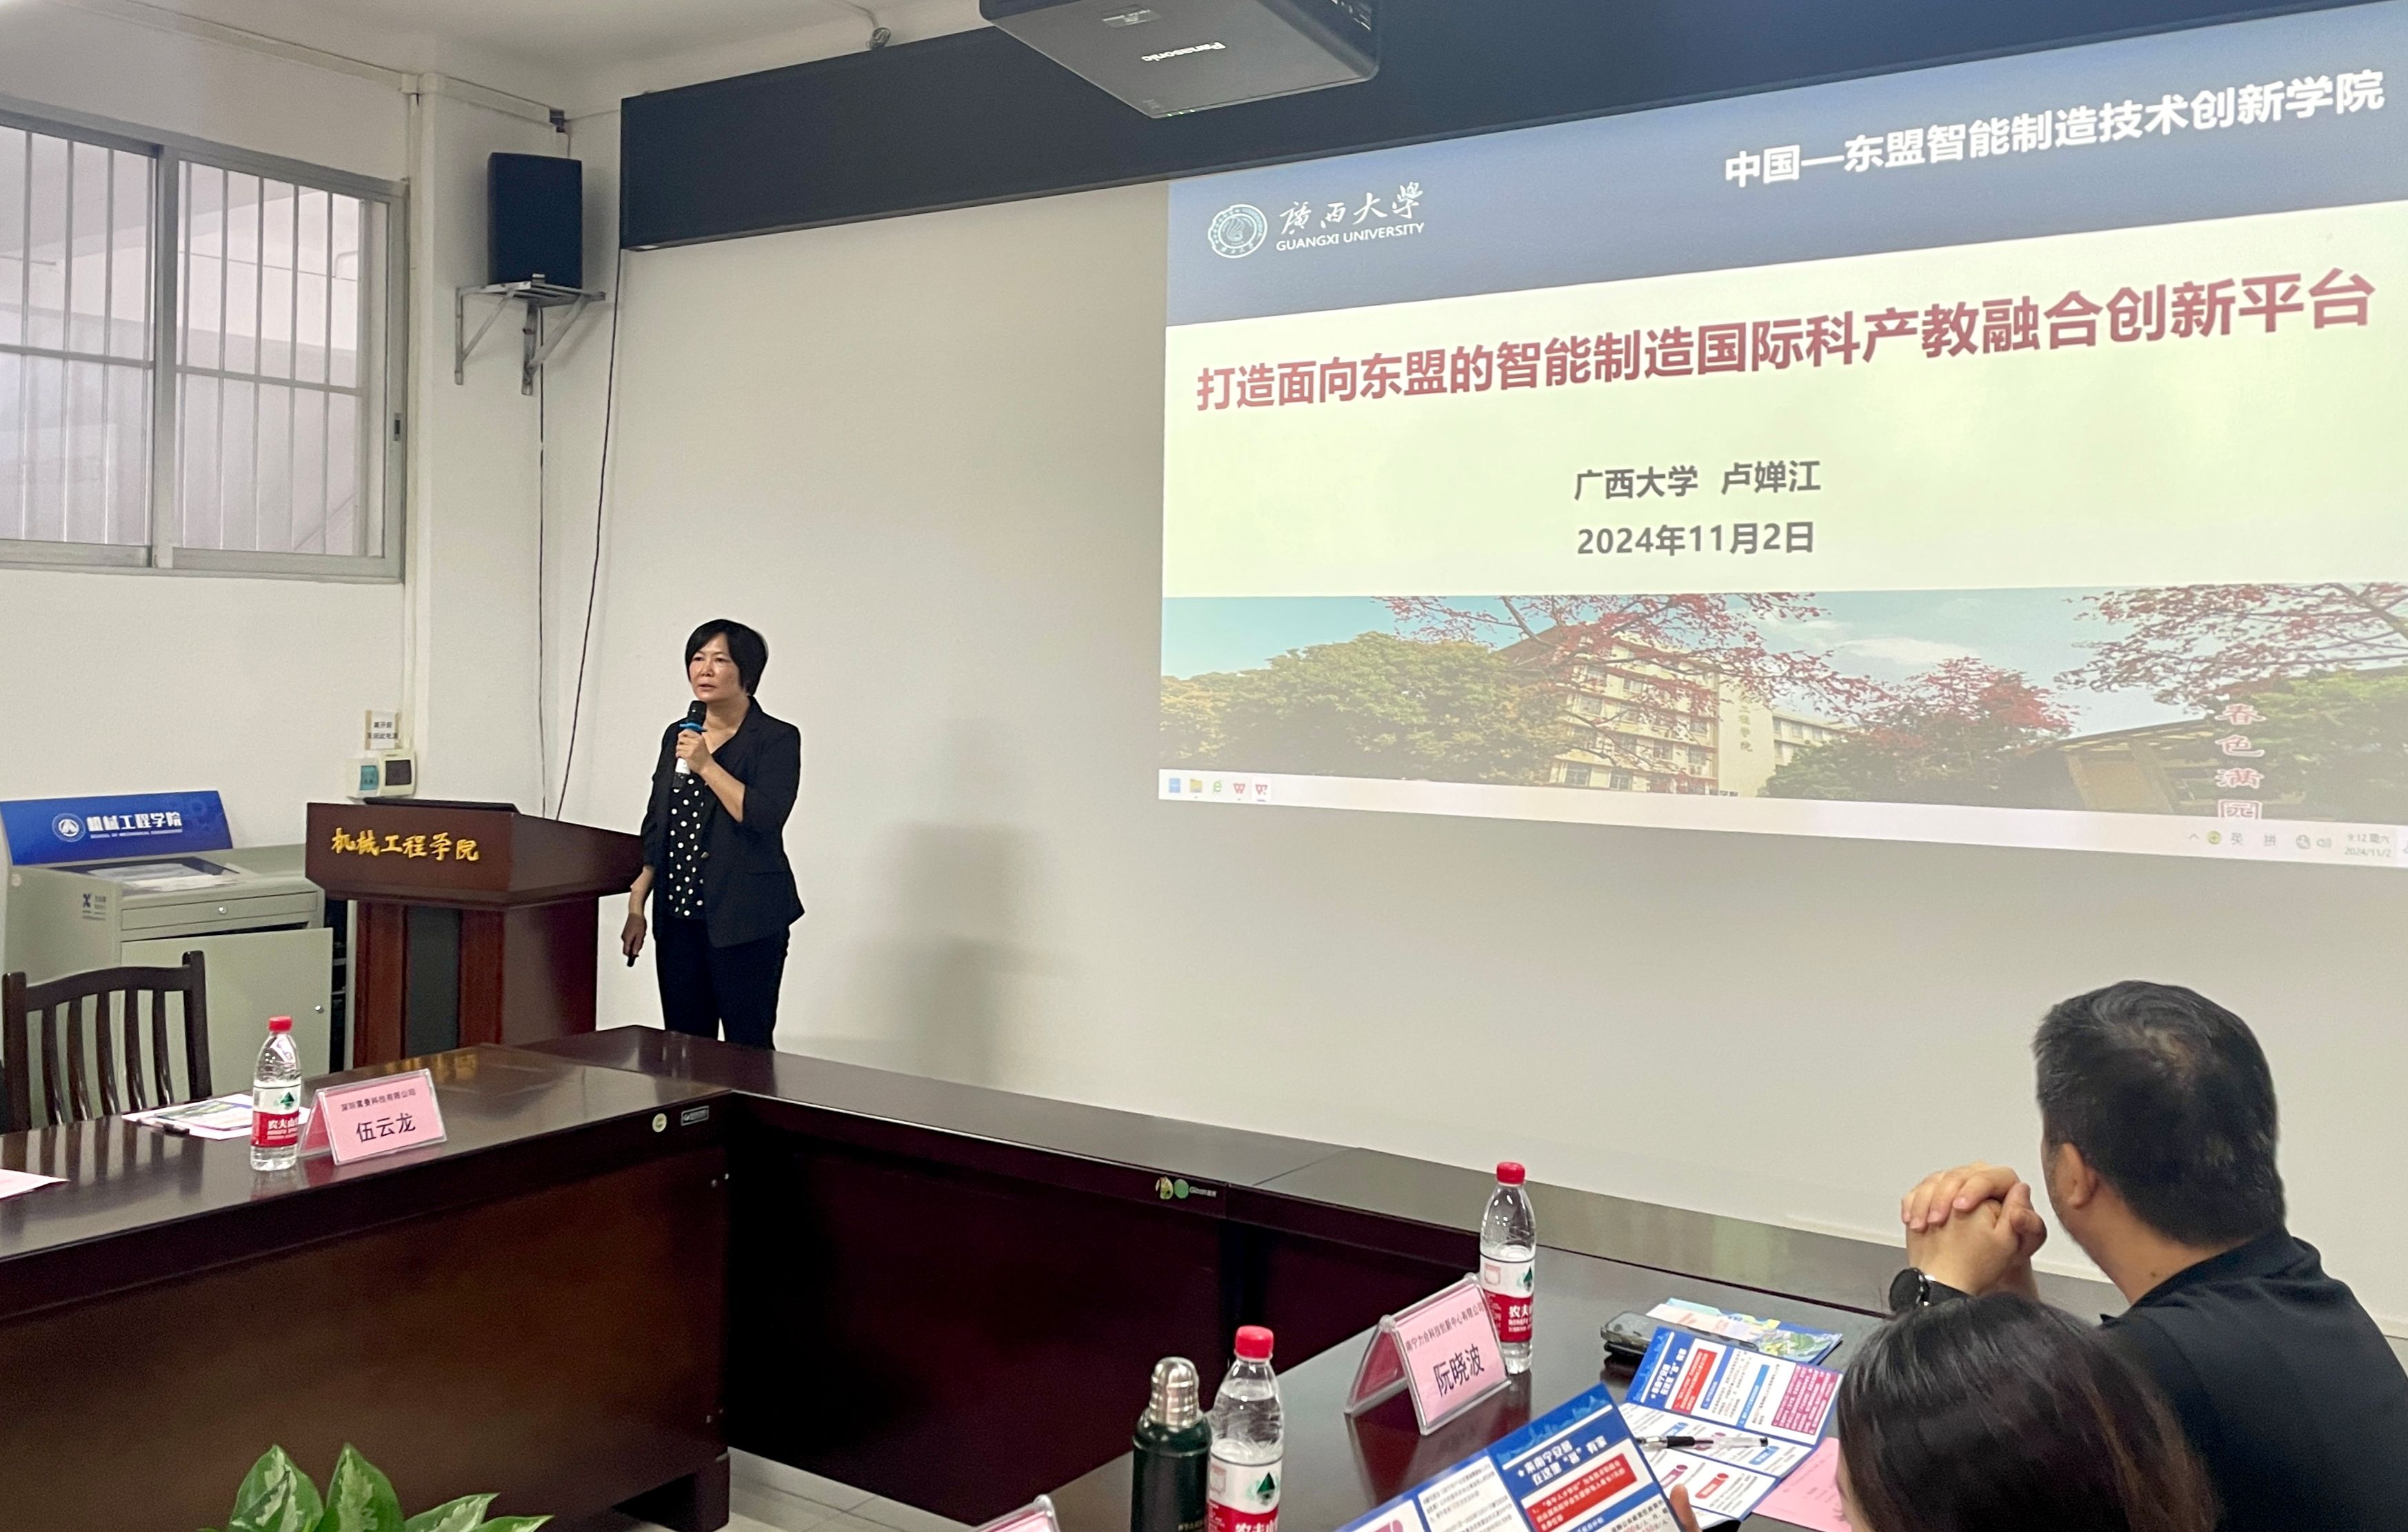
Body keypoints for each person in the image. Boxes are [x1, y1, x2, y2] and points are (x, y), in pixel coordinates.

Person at [1892, 981, 2408, 1532]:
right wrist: (2003, 1310)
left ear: (2075, 1174)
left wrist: (1933, 1292)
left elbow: (1901, 1495)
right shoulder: (2304, 1303)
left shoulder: (2156, 1373)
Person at [621, 619, 804, 1047]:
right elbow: (659, 819)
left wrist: (705, 765)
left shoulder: (776, 738)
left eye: (720, 660)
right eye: (698, 658)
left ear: (747, 672)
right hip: (679, 917)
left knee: (748, 1047)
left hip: (747, 918)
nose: (705, 669)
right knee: (683, 1047)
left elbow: (763, 817)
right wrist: (638, 900)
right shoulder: (679, 734)